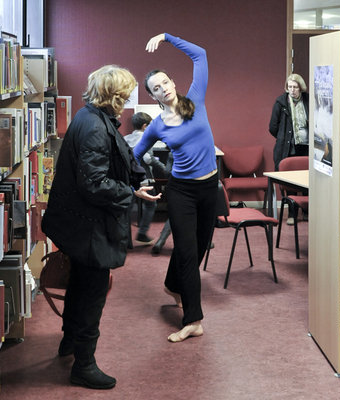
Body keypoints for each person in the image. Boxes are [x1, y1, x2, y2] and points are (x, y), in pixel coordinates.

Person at [41, 65, 161, 389]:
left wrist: (134, 175)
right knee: (92, 293)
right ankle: (84, 365)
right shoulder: (95, 126)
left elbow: (115, 154)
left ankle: (69, 341)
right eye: (125, 93)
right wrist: (131, 192)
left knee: (79, 285)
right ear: (113, 95)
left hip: (78, 224)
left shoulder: (90, 116)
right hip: (90, 226)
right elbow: (94, 183)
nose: (128, 99)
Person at [134, 33, 218, 343]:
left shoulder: (195, 98)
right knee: (186, 251)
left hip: (210, 187)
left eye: (165, 82)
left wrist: (168, 37)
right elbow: (135, 154)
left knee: (196, 249)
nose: (163, 89)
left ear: (173, 82)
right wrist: (135, 183)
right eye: (156, 88)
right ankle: (193, 319)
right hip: (181, 191)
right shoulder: (156, 125)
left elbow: (201, 54)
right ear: (153, 96)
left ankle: (172, 284)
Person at [269, 73, 309, 225]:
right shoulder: (281, 102)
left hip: (306, 147)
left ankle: (306, 211)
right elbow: (273, 126)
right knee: (291, 183)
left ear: (301, 88)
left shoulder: (307, 101)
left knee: (306, 181)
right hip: (288, 148)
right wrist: (283, 138)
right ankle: (292, 214)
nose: (292, 90)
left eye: (295, 87)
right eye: (289, 87)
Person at [125, 112, 167, 245]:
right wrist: (164, 168)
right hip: (144, 178)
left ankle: (126, 240)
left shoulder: (126, 138)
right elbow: (148, 159)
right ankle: (142, 233)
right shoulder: (146, 138)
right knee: (150, 204)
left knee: (128, 207)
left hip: (128, 179)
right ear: (145, 126)